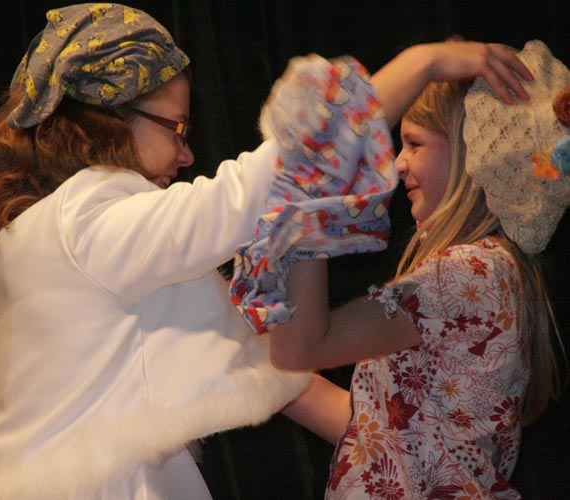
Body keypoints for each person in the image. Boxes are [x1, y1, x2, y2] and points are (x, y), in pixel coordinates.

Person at [0, 3, 536, 498]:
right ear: (111, 119)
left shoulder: (38, 241)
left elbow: (277, 361)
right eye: (177, 128)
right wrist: (423, 62)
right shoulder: (88, 217)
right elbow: (266, 179)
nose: (187, 155)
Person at [233, 40, 569, 499]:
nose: (398, 163)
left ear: (473, 156)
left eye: (415, 143)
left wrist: (314, 199)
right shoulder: (491, 271)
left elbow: (302, 347)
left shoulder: (470, 272)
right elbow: (383, 432)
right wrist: (243, 361)